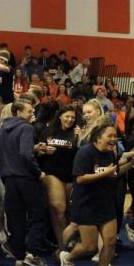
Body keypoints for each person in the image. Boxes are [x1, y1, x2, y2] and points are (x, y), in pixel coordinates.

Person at [61, 123, 134, 266]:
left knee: (110, 242)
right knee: (89, 247)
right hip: (86, 203)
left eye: (114, 136)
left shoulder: (111, 153)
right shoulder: (85, 152)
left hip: (106, 202)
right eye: (109, 136)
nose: (113, 139)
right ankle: (68, 258)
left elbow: (114, 172)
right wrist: (107, 172)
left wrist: (130, 165)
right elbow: (80, 178)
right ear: (98, 137)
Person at [0, 98, 49, 266]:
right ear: (19, 112)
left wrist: (6, 157)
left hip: (9, 180)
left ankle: (19, 258)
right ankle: (32, 254)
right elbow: (26, 155)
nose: (32, 114)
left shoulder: (1, 130)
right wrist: (38, 172)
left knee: (16, 220)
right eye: (29, 111)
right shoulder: (26, 128)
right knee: (38, 214)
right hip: (27, 179)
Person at [38, 105, 79, 257]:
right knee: (58, 208)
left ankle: (67, 243)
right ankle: (62, 247)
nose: (69, 120)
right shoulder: (48, 131)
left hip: (71, 174)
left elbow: (82, 153)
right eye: (67, 116)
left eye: (73, 117)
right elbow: (37, 151)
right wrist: (43, 151)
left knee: (69, 210)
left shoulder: (77, 133)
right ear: (60, 116)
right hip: (52, 172)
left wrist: (80, 139)